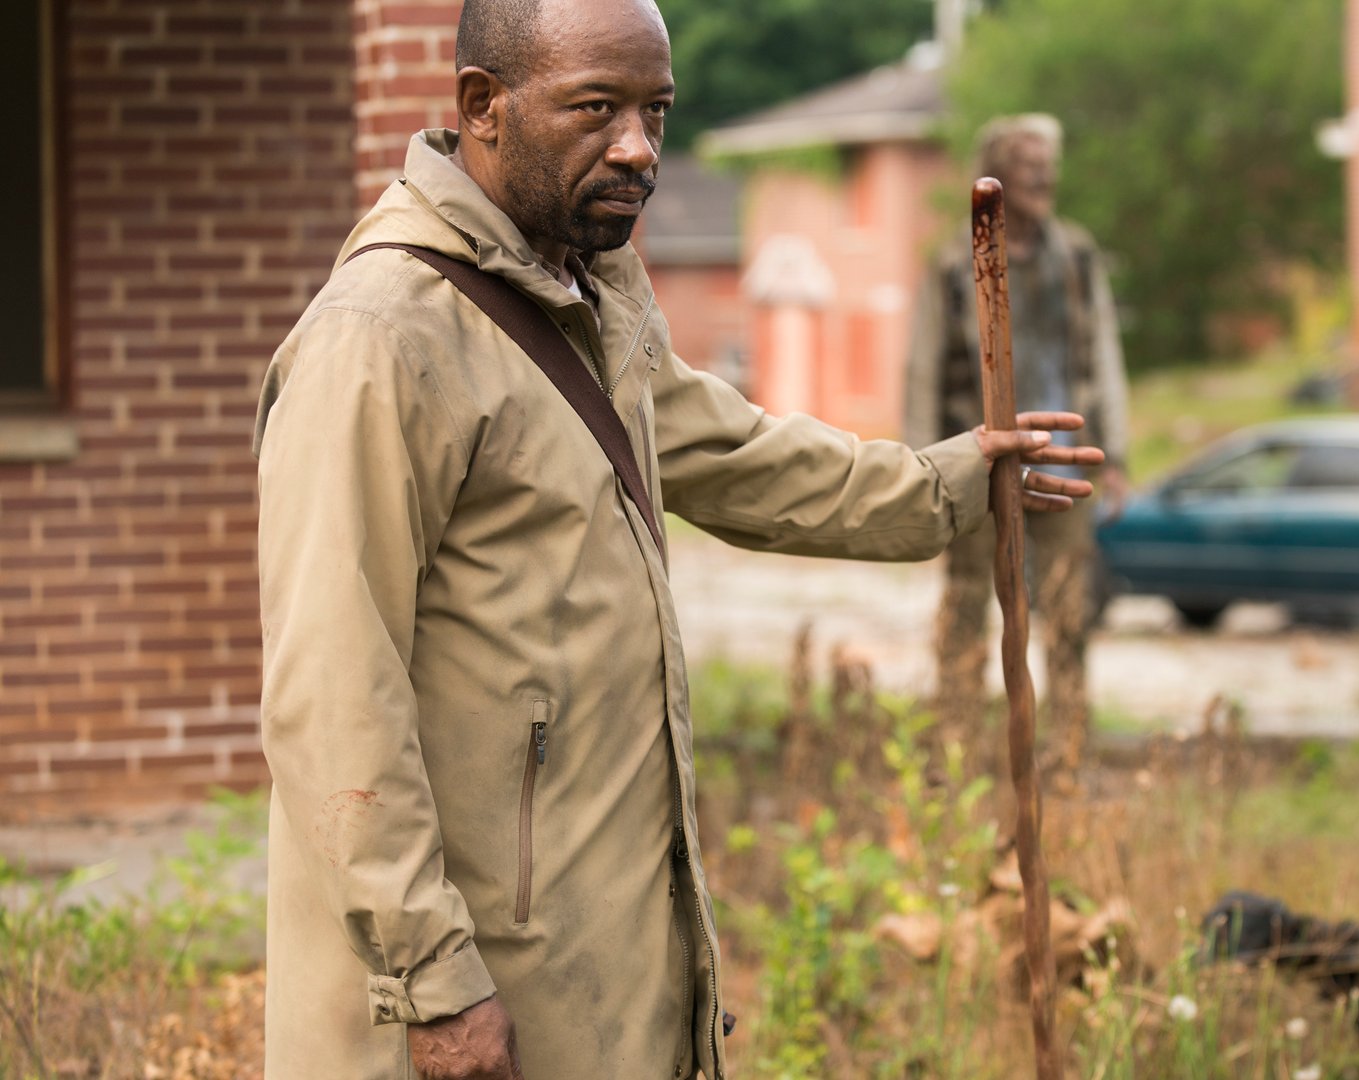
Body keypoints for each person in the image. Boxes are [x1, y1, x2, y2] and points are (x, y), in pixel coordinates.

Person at [250, 1, 1105, 1076]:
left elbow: (741, 455)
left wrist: (953, 480)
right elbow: (331, 694)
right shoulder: (381, 341)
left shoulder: (591, 290)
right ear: (483, 107)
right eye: (596, 109)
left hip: (591, 960)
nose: (639, 148)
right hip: (465, 988)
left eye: (656, 110)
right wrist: (434, 981)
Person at [904, 114, 1130, 771]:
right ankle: (957, 747)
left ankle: (1068, 750)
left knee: (1068, 610)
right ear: (998, 172)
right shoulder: (955, 258)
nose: (1045, 176)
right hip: (977, 463)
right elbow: (920, 369)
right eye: (1030, 163)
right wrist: (924, 470)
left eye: (1050, 164)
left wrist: (1115, 452)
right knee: (969, 606)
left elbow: (1105, 353)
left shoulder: (1077, 256)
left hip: (1063, 461)